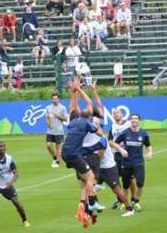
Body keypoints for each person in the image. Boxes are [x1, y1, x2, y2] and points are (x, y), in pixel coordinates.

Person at [61, 81, 103, 228]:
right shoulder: (88, 122)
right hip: (79, 154)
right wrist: (102, 136)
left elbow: (73, 105)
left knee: (86, 182)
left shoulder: (72, 120)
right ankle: (89, 204)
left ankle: (88, 211)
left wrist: (75, 91)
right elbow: (89, 103)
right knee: (91, 178)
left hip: (67, 153)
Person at [114, 113, 152, 212]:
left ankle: (136, 201)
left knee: (140, 183)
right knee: (125, 186)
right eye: (132, 118)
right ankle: (124, 203)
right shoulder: (125, 133)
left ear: (139, 120)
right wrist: (121, 150)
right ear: (130, 121)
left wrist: (150, 152)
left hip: (138, 163)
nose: (134, 120)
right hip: (126, 163)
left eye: (136, 118)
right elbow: (114, 143)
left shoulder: (143, 134)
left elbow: (148, 145)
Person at [45, 93, 68, 168]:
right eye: (53, 98)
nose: (55, 100)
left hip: (59, 130)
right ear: (51, 99)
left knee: (58, 147)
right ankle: (55, 156)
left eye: (56, 98)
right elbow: (47, 117)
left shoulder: (62, 108)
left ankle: (57, 162)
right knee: (48, 145)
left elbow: (65, 119)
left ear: (58, 99)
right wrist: (48, 123)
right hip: (50, 130)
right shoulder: (48, 108)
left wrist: (58, 116)